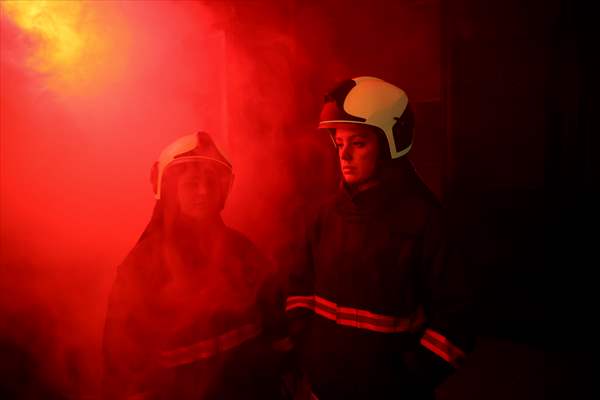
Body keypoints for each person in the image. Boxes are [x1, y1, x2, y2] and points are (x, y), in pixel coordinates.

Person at [285, 77, 474, 399]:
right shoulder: (324, 216)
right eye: (339, 142)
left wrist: (406, 381)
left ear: (390, 144)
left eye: (359, 143)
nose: (344, 155)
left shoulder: (425, 222)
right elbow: (298, 289)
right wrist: (309, 352)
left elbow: (457, 320)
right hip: (325, 389)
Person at [102, 131, 286, 400]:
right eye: (192, 183)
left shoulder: (243, 252)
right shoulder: (142, 266)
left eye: (211, 182)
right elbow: (121, 357)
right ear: (170, 190)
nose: (203, 191)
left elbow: (276, 325)